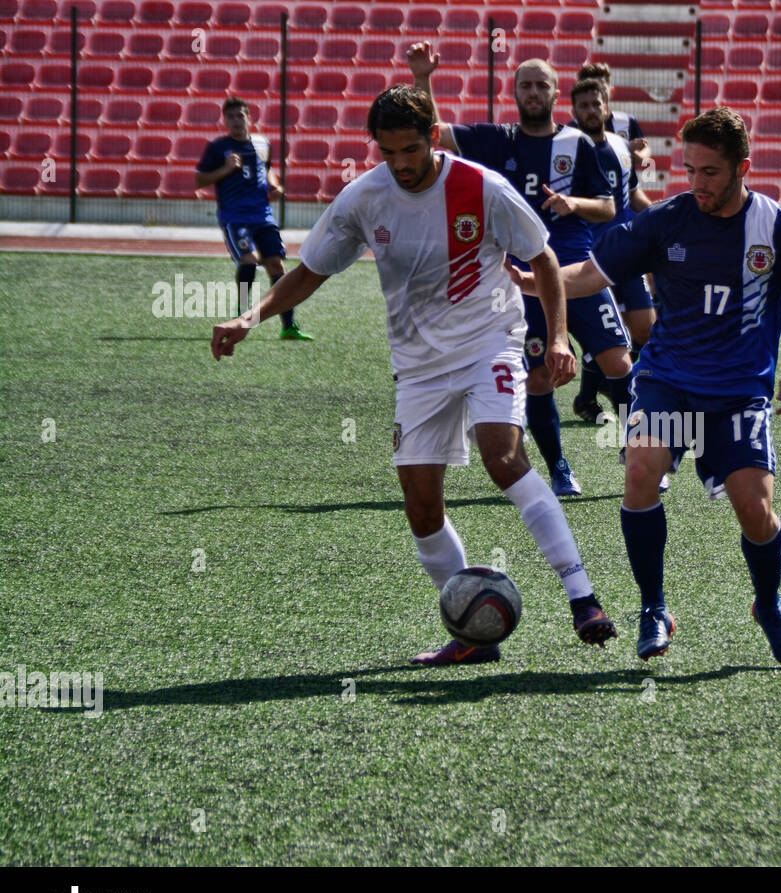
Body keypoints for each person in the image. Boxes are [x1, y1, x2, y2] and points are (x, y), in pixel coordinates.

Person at [209, 85, 618, 666]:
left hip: (488, 344)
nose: (399, 164)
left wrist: (555, 337)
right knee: (422, 506)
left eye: (409, 150)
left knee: (503, 457)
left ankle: (584, 598)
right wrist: (253, 314)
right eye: (387, 152)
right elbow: (309, 272)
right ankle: (476, 635)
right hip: (419, 367)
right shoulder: (363, 199)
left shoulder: (483, 187)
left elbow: (544, 258)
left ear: (432, 137)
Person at [510, 107, 781, 668]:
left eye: (710, 172)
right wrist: (532, 280)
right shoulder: (663, 221)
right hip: (668, 380)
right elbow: (592, 274)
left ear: (743, 167)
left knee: (755, 510)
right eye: (689, 169)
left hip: (739, 392)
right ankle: (654, 607)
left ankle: (769, 606)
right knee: (640, 472)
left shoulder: (777, 227)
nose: (697, 183)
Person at [407, 43, 635, 498]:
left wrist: (575, 203)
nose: (533, 92)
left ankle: (641, 449)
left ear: (556, 94)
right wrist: (422, 78)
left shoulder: (580, 144)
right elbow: (435, 132)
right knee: (538, 377)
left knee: (619, 363)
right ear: (514, 92)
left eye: (542, 85)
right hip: (519, 277)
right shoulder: (497, 139)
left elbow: (609, 207)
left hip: (575, 271)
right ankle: (559, 467)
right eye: (525, 85)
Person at [567, 77, 656, 427]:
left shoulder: (620, 147)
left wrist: (659, 220)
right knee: (606, 335)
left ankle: (604, 394)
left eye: (596, 104)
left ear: (608, 107)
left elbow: (632, 196)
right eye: (584, 105)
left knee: (644, 332)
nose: (591, 110)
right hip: (587, 257)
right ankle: (599, 401)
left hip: (625, 251)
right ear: (574, 110)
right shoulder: (566, 148)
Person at [195, 97, 312, 341]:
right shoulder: (218, 148)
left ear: (250, 118)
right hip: (235, 218)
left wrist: (274, 184)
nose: (237, 120)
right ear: (225, 120)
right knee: (249, 261)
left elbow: (266, 168)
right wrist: (226, 170)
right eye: (231, 117)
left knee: (277, 266)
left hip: (263, 216)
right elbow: (199, 181)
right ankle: (241, 317)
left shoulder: (262, 143)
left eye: (241, 115)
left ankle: (289, 326)